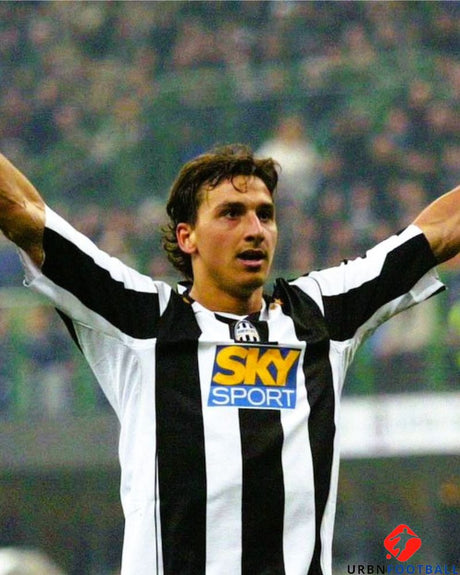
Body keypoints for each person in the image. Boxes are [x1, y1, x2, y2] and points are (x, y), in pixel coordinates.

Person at [0, 145, 458, 575]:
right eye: (231, 213)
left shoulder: (322, 316)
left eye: (265, 214)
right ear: (187, 236)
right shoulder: (142, 319)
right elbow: (23, 213)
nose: (255, 229)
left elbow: (435, 233)